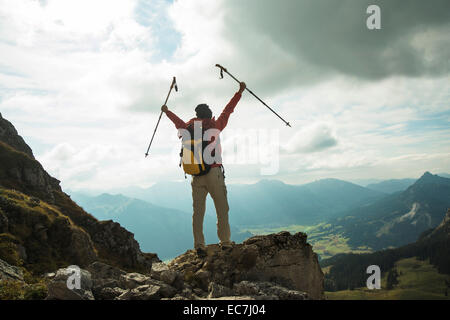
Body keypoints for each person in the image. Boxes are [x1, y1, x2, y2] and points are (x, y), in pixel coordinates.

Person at [161, 82, 246, 256]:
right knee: (222, 209)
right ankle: (226, 243)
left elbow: (178, 123)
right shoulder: (215, 125)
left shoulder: (189, 127)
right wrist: (239, 92)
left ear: (196, 114)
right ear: (210, 115)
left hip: (196, 174)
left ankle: (199, 246)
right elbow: (228, 110)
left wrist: (167, 111)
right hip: (214, 173)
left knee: (198, 212)